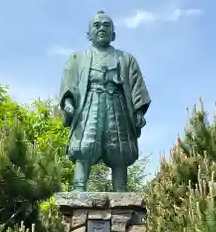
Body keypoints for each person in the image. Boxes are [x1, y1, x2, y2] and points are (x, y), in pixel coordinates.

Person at [59, 11, 151, 192]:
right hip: (88, 103)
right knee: (84, 146)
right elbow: (68, 84)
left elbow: (136, 86)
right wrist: (68, 102)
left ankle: (121, 189)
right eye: (97, 25)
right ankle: (78, 187)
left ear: (114, 34)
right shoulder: (77, 58)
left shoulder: (126, 59)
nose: (102, 28)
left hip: (117, 105)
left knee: (119, 148)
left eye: (106, 26)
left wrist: (138, 112)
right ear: (88, 34)